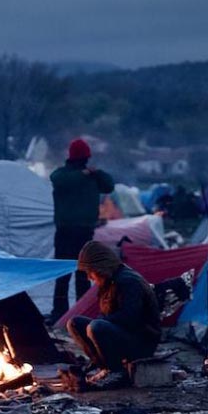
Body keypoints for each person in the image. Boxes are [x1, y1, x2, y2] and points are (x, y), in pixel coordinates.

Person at [66, 240, 160, 389]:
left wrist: (102, 322)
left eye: (90, 272)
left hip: (141, 341)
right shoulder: (109, 281)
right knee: (74, 323)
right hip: (124, 334)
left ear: (100, 267)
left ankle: (116, 372)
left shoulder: (128, 282)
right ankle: (103, 366)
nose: (89, 277)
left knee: (96, 327)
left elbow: (130, 319)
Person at [49, 138, 113, 322]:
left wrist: (96, 173)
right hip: (68, 231)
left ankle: (78, 312)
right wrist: (84, 174)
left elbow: (109, 185)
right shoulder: (64, 176)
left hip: (79, 231)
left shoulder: (91, 176)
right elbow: (57, 179)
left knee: (82, 274)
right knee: (64, 272)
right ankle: (61, 312)